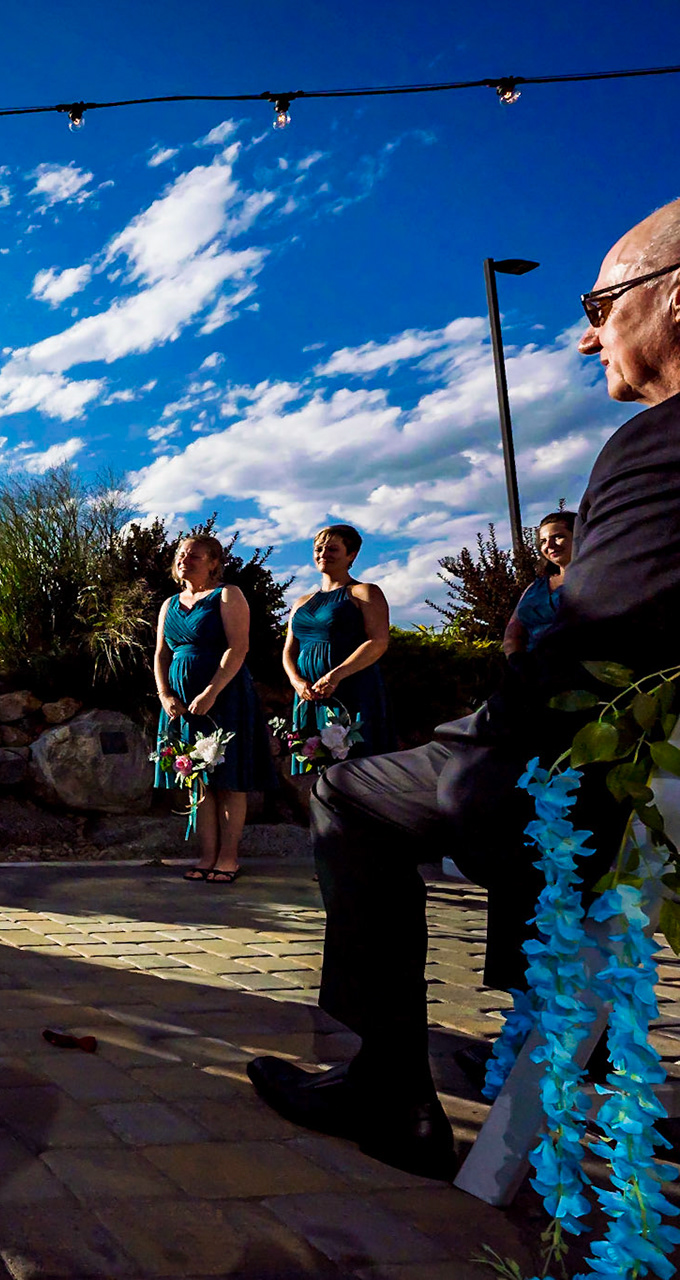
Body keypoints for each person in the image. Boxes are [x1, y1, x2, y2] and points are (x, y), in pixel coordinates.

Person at [247, 199, 680, 1181]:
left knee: (351, 793)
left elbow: (595, 653)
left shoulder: (659, 446)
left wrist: (479, 723)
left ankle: (389, 1086)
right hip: (647, 786)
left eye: (603, 302)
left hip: (591, 779)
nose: (586, 332)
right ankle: (553, 1047)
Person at [153, 534, 272, 884]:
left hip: (225, 696)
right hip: (180, 703)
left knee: (230, 780)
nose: (184, 559)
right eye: (181, 554)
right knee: (197, 780)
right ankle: (206, 855)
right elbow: (161, 653)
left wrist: (211, 691)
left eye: (194, 555)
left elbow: (238, 647)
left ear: (213, 562)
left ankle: (228, 858)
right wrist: (164, 693)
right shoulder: (169, 604)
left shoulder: (228, 595)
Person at [282, 524, 392, 770]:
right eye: (319, 548)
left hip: (351, 687)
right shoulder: (302, 602)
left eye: (332, 549)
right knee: (316, 768)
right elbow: (289, 649)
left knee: (357, 766)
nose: (323, 554)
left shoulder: (364, 592)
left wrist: (336, 675)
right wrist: (296, 681)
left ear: (351, 555)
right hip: (309, 693)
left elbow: (378, 641)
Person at [502, 510, 575, 655]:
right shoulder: (534, 588)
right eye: (543, 541)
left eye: (558, 537)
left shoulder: (597, 580)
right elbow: (513, 632)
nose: (550, 545)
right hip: (534, 671)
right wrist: (516, 660)